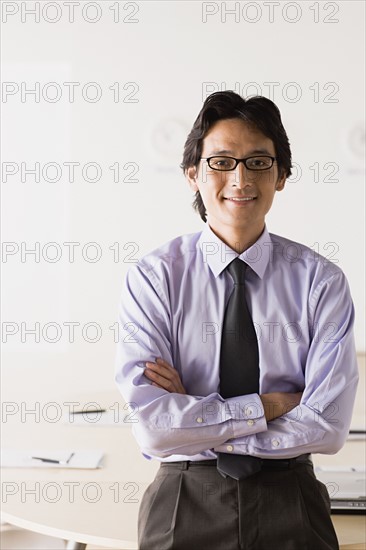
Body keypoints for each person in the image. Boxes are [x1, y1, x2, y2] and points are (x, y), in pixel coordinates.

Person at [115, 91, 359, 550]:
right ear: (194, 176)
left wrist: (195, 419)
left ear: (281, 176)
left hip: (291, 493)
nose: (241, 178)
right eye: (221, 162)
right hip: (183, 493)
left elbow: (326, 427)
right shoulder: (154, 278)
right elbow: (153, 426)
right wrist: (267, 406)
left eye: (259, 162)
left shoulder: (321, 282)